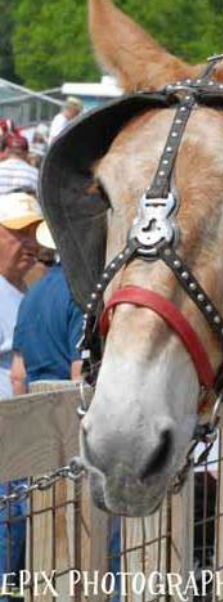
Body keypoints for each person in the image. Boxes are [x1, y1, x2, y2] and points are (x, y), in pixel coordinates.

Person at [0, 191, 45, 586]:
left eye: (33, 232)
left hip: (22, 447)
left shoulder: (25, 294)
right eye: (18, 233)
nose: (30, 243)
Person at [11, 223, 83, 395]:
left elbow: (17, 376)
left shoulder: (30, 295)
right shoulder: (81, 294)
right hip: (67, 410)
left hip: (34, 409)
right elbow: (79, 373)